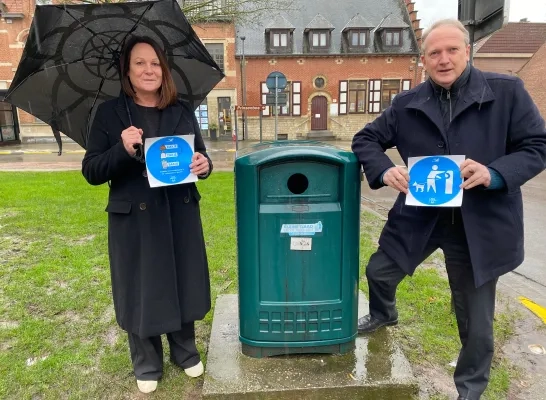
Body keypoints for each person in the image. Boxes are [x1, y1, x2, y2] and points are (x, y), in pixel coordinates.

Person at [351, 19, 546, 400]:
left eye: (451, 50)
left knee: (475, 320)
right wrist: (385, 168)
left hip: (479, 223)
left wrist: (494, 173)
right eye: (434, 53)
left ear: (467, 51)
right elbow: (366, 139)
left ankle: (470, 390)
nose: (443, 60)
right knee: (379, 271)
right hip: (420, 217)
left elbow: (537, 146)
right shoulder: (407, 104)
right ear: (423, 60)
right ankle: (383, 313)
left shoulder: (506, 93)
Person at [81, 35, 213, 394]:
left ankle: (185, 352)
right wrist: (122, 149)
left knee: (181, 279)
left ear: (164, 69)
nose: (149, 69)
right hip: (134, 219)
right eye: (139, 62)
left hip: (178, 211)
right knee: (141, 286)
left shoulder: (181, 110)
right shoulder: (109, 113)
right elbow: (91, 171)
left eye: (155, 62)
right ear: (127, 69)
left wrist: (204, 165)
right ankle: (147, 361)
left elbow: (200, 157)